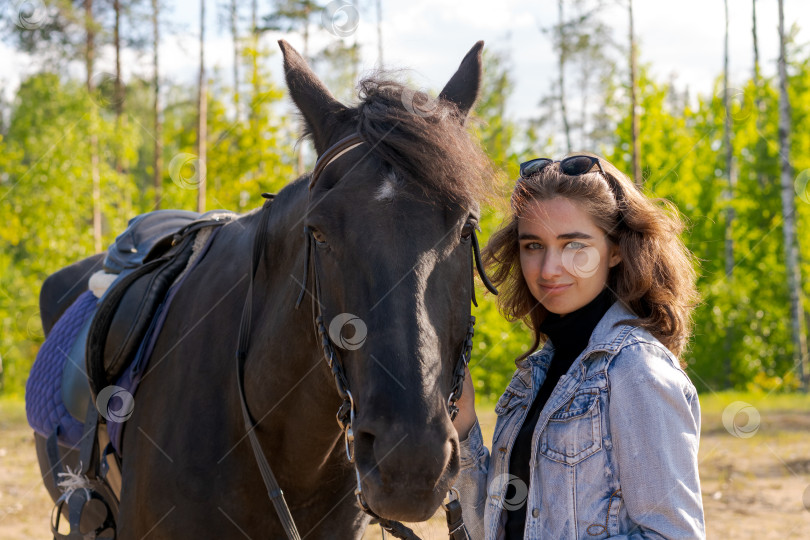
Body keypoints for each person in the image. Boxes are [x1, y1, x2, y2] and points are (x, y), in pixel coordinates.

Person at [452, 154, 705, 539]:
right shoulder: (534, 376)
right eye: (533, 245)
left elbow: (673, 534)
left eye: (573, 244)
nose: (549, 268)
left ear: (616, 249)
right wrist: (463, 424)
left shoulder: (636, 370)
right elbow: (495, 530)